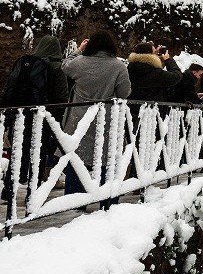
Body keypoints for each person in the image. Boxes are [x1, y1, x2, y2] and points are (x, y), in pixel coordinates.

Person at [62, 32, 131, 199]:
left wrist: (78, 50)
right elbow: (124, 92)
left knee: (77, 159)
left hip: (79, 118)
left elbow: (65, 65)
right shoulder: (118, 66)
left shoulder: (79, 63)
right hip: (105, 120)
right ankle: (107, 201)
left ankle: (75, 202)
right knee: (107, 159)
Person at [1, 36, 69, 200]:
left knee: (18, 149)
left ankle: (9, 189)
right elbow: (61, 96)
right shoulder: (57, 68)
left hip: (19, 113)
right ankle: (33, 192)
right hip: (41, 117)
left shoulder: (27, 64)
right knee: (39, 152)